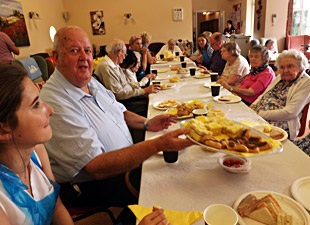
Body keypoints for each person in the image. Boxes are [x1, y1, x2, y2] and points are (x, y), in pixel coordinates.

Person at [40, 26, 194, 223]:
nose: (84, 57)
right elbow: (96, 167)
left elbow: (119, 111)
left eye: (87, 50)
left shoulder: (88, 81)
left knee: (178, 166)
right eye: (74, 50)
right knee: (169, 187)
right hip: (97, 182)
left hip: (125, 161)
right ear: (56, 56)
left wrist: (147, 124)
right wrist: (157, 145)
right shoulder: (55, 101)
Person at [0, 64, 73, 225]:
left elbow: (57, 208)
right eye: (36, 105)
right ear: (3, 130)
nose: (50, 110)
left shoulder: (37, 152)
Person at [251, 49, 310, 148]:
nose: (285, 70)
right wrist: (252, 106)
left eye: (290, 66)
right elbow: (264, 95)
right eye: (282, 67)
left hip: (279, 123)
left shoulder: (306, 82)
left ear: (300, 67)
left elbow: (290, 112)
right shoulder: (280, 78)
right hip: (258, 115)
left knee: (249, 138)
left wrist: (260, 114)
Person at [95, 40, 159, 117]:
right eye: (124, 54)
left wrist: (144, 91)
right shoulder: (106, 66)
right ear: (119, 53)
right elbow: (118, 94)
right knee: (151, 105)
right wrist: (143, 91)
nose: (125, 57)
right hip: (123, 103)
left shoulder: (115, 64)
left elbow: (128, 83)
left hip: (129, 97)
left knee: (154, 95)